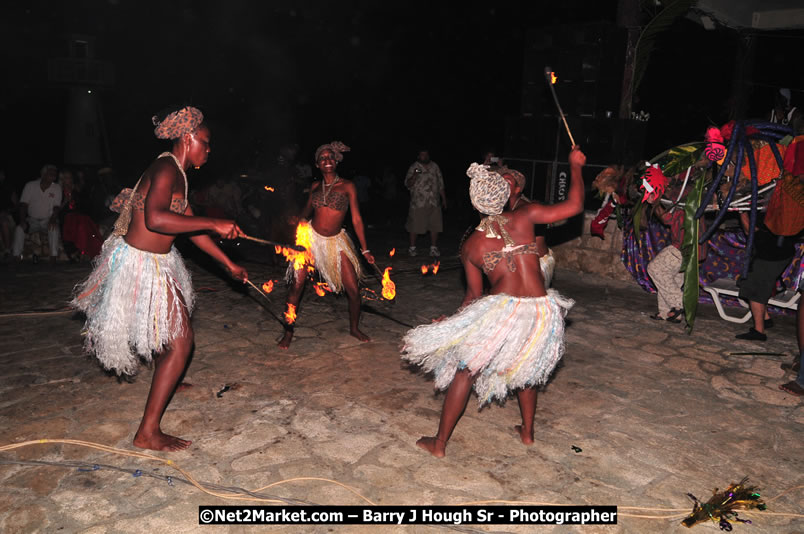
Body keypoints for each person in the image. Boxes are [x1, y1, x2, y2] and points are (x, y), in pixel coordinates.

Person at [71, 105, 248, 451]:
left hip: (157, 262)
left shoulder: (178, 173)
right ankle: (147, 432)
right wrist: (214, 223)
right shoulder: (166, 167)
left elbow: (191, 227)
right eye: (206, 143)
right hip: (140, 263)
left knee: (171, 338)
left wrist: (229, 263)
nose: (209, 150)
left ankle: (167, 376)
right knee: (181, 344)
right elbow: (155, 219)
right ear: (188, 138)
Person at [402, 147, 586, 458]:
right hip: (542, 309)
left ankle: (440, 443)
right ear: (504, 195)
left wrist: (451, 324)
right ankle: (527, 433)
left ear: (475, 202)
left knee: (466, 370)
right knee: (527, 366)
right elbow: (575, 205)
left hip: (505, 307)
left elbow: (474, 296)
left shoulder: (471, 245)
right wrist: (576, 167)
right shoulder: (525, 215)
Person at [278, 141, 375, 348]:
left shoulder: (348, 186)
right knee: (296, 286)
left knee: (353, 290)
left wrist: (365, 249)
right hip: (310, 239)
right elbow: (306, 213)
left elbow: (357, 220)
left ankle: (354, 328)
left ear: (336, 161)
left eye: (330, 157)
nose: (327, 160)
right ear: (317, 164)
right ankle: (288, 332)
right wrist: (297, 220)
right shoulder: (314, 187)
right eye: (322, 158)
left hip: (336, 242)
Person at [735, 212, 796, 341]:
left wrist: (742, 213)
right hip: (780, 250)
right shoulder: (780, 201)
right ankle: (765, 319)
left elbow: (750, 231)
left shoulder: (769, 208)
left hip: (771, 254)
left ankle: (759, 331)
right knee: (751, 283)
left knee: (755, 289)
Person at [497, 165, 555, 287]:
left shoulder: (525, 210)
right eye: (499, 181)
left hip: (538, 266)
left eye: (506, 182)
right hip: (523, 262)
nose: (501, 185)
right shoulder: (504, 209)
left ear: (517, 190)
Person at [12, 164, 62, 261]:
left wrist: (52, 219)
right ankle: (16, 256)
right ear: (43, 174)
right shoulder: (30, 185)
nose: (53, 176)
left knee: (54, 228)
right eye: (50, 173)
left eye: (54, 174)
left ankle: (53, 257)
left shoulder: (57, 188)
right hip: (32, 220)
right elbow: (23, 205)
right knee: (19, 228)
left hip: (47, 219)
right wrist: (22, 220)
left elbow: (56, 207)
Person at [405, 149, 446, 257]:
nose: (425, 156)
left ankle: (433, 248)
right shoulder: (414, 167)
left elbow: (440, 184)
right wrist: (414, 175)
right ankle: (412, 248)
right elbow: (407, 184)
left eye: (426, 154)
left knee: (435, 225)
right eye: (422, 155)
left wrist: (444, 199)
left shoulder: (435, 166)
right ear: (419, 156)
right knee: (415, 226)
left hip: (434, 201)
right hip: (418, 202)